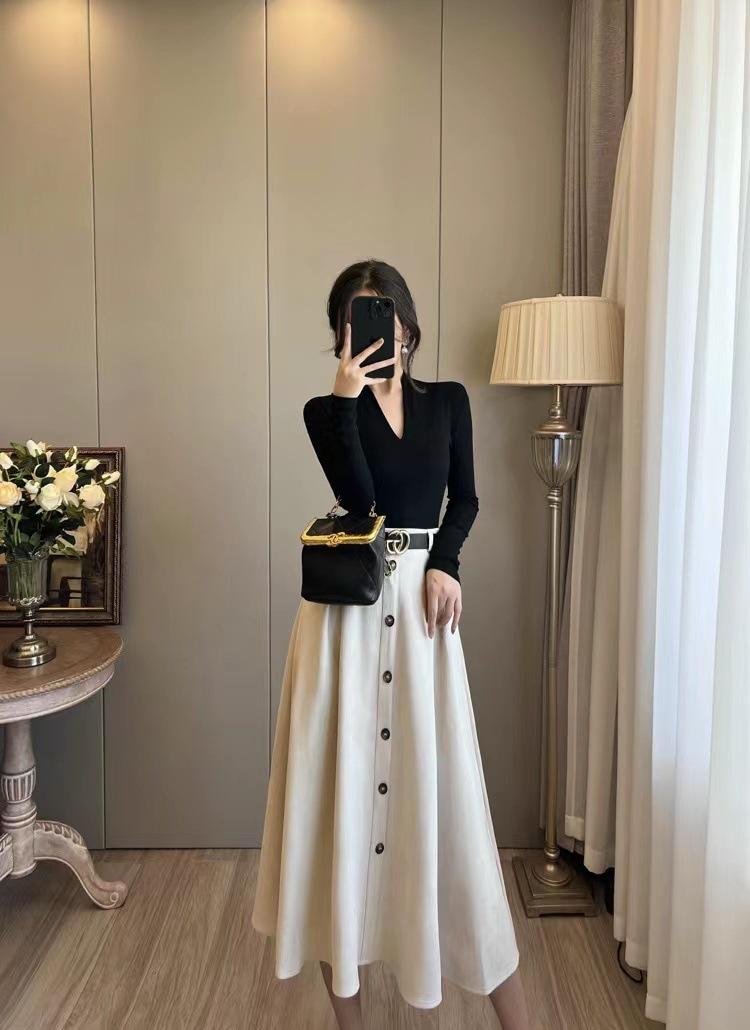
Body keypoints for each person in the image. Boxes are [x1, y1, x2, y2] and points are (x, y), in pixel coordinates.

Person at [252, 259, 531, 1030]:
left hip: (421, 615)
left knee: (446, 798)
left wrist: (446, 565)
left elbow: (464, 499)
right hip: (345, 619)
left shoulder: (448, 402)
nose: (379, 328)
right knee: (335, 800)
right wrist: (348, 399)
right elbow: (361, 500)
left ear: (408, 322)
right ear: (341, 331)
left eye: (386, 312)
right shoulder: (323, 410)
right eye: (357, 316)